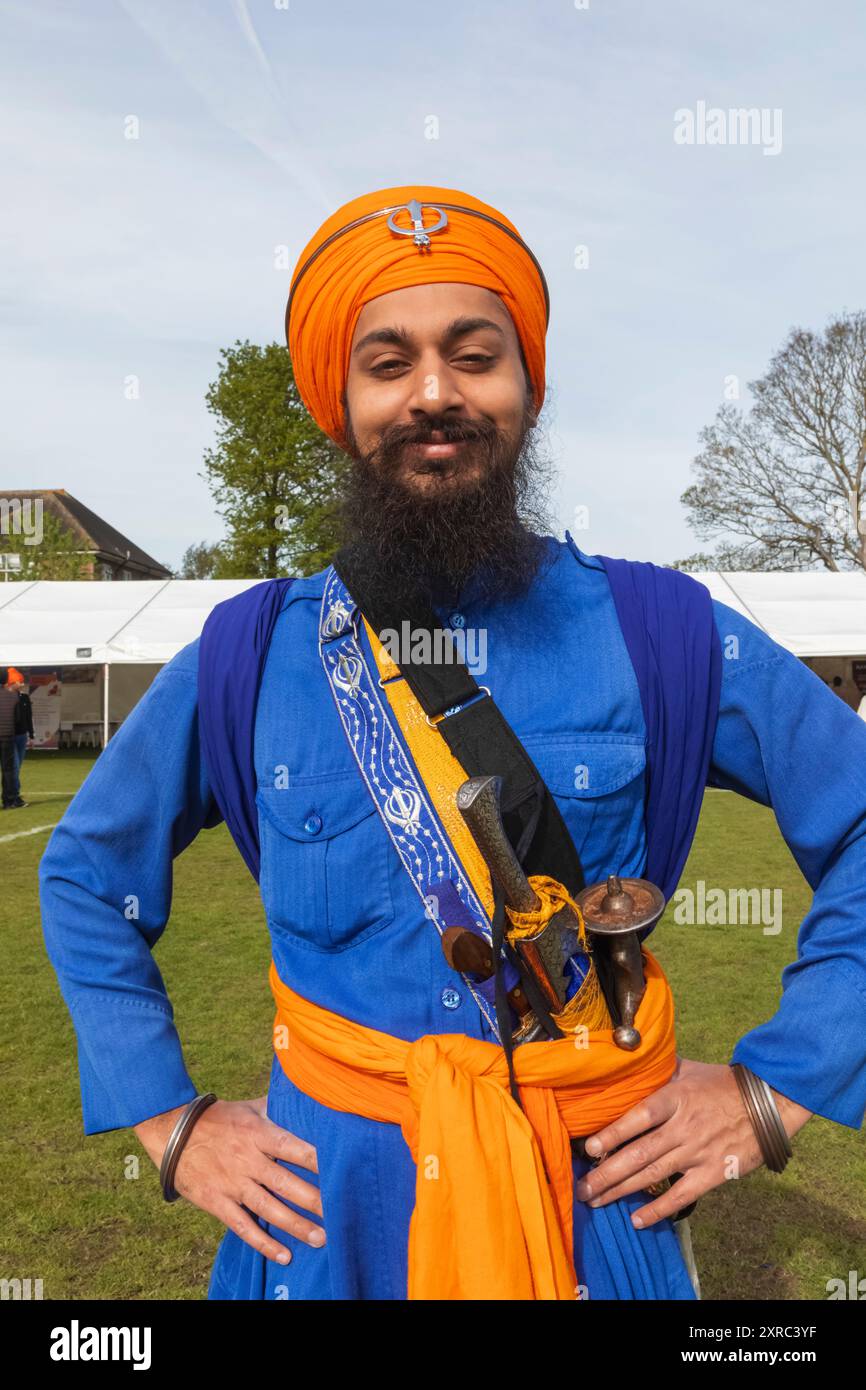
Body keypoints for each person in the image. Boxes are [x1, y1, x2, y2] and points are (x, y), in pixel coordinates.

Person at [39, 186, 866, 1302]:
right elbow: (87, 874)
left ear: (527, 385)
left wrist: (775, 1090)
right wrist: (169, 1121)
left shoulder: (661, 631)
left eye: (473, 356)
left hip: (591, 1208)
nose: (434, 393)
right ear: (339, 400)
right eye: (388, 364)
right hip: (322, 1220)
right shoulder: (244, 655)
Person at [0, 666, 26, 810]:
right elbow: (17, 719)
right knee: (8, 770)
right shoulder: (13, 696)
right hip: (7, 736)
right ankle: (9, 801)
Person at [6, 667, 33, 802]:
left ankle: (13, 793)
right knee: (14, 766)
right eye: (18, 682)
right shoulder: (5, 698)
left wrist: (31, 734)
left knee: (17, 766)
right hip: (8, 737)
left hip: (22, 736)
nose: (21, 684)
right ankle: (14, 795)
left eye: (21, 682)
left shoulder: (24, 698)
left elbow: (28, 717)